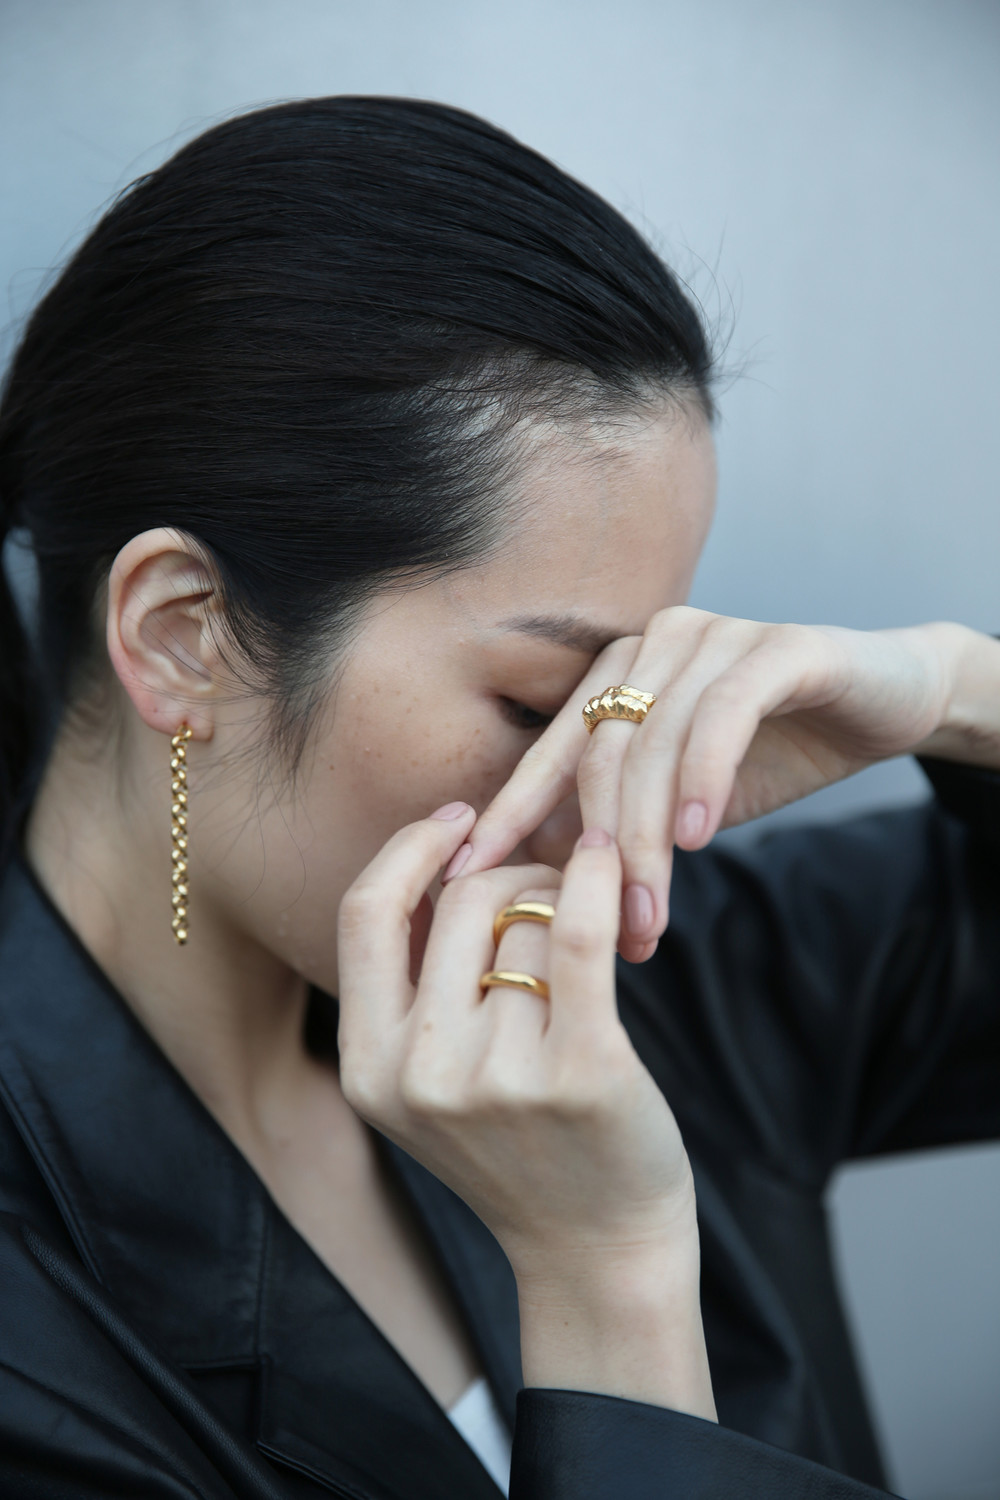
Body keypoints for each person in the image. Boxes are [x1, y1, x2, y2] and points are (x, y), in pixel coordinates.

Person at [0, 95, 997, 1500]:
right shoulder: (38, 1341)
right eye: (540, 704)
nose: (599, 781)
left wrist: (951, 687)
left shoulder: (640, 977)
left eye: (630, 690)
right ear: (182, 636)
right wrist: (609, 1279)